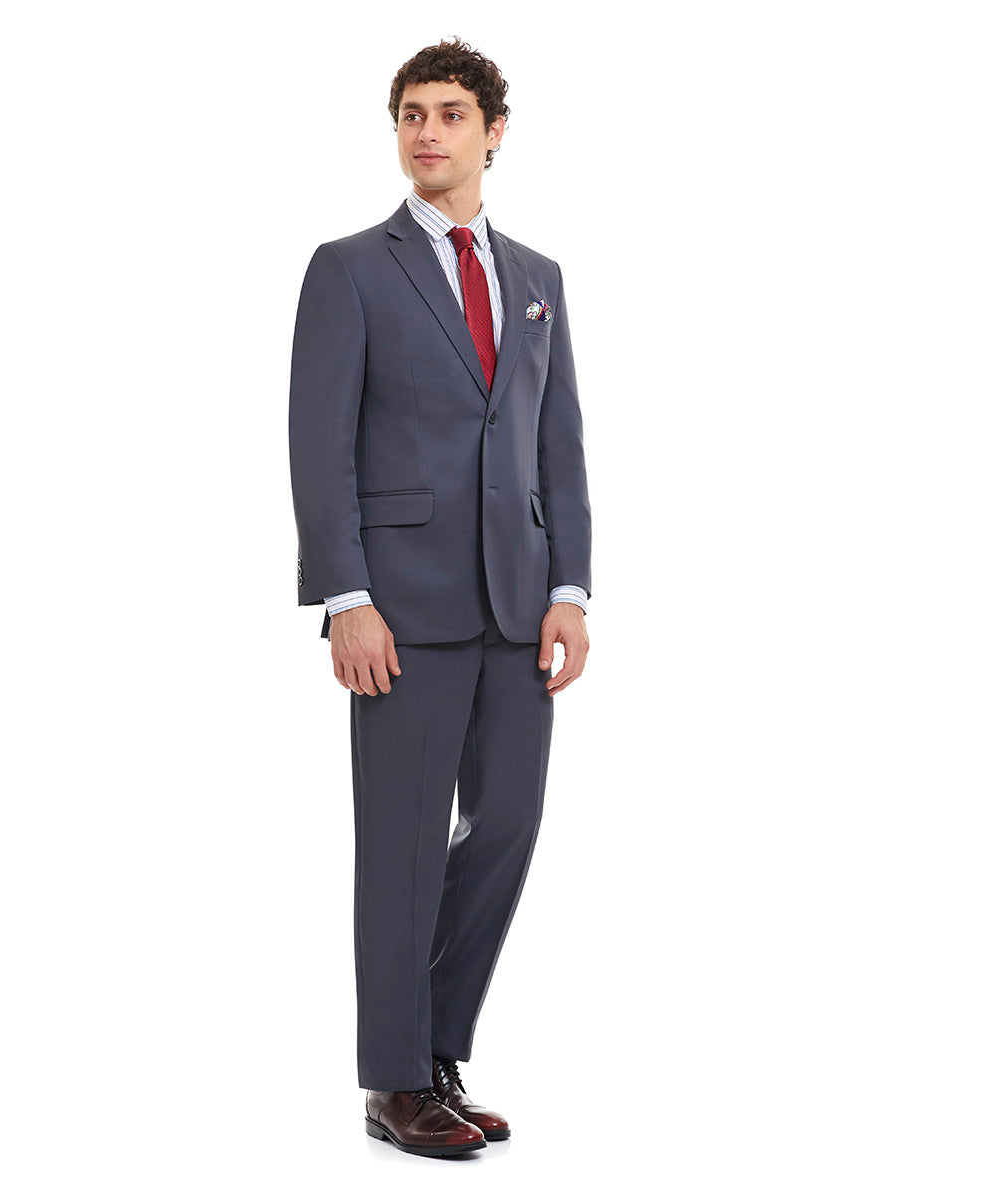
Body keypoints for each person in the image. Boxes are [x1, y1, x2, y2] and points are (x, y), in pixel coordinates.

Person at [288, 36, 592, 1157]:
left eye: (451, 113)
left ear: (493, 132)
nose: (428, 132)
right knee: (403, 849)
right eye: (412, 114)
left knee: (508, 823)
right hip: (401, 611)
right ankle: (394, 1079)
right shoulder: (349, 269)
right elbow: (318, 445)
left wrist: (570, 587)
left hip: (518, 605)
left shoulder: (538, 280)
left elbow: (558, 444)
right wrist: (345, 596)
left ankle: (431, 1046)